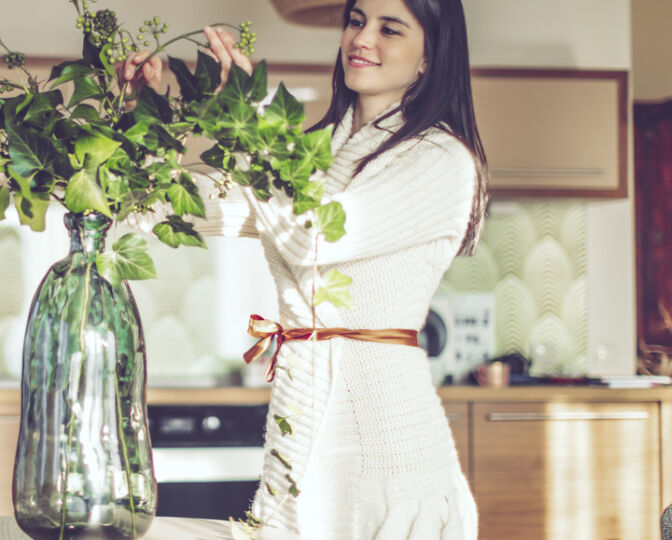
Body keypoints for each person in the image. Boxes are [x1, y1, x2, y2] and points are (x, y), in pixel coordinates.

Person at [122, 0, 487, 538]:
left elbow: (312, 234)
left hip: (386, 462)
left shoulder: (441, 160)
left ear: (430, 57)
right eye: (357, 20)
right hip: (303, 442)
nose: (362, 39)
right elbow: (183, 205)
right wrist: (144, 111)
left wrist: (249, 119)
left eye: (390, 28)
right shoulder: (318, 151)